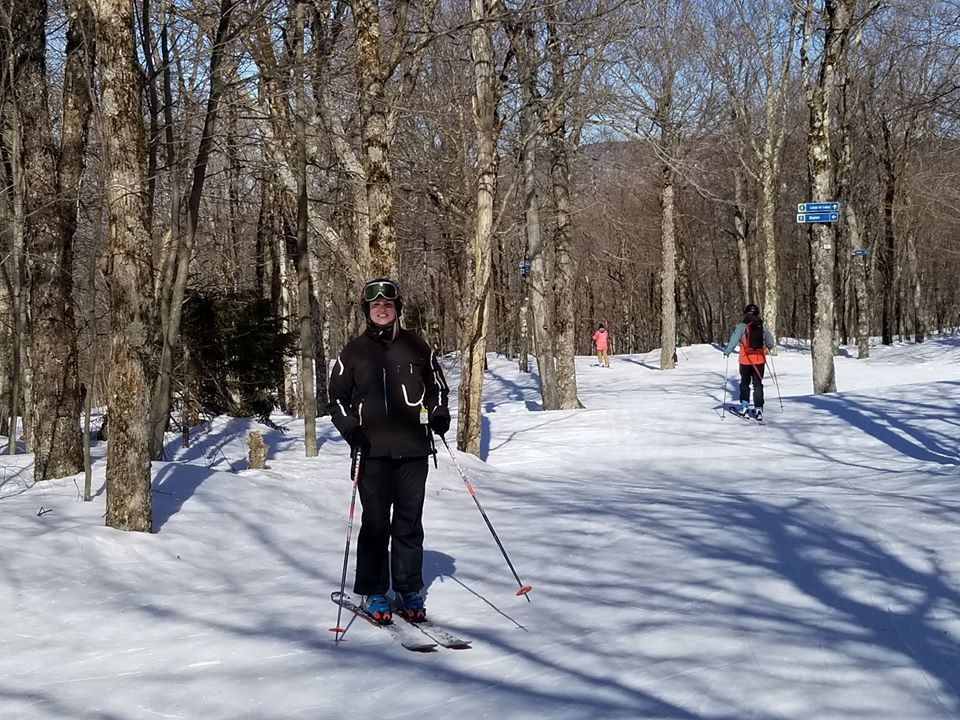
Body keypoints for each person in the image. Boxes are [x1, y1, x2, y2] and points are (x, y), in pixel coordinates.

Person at [328, 278, 450, 624]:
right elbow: (336, 398)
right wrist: (351, 429)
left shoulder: (417, 346)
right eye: (375, 305)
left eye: (388, 305)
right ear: (367, 311)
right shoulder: (353, 352)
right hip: (372, 451)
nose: (382, 310)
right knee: (376, 523)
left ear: (397, 309)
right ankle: (374, 590)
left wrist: (439, 414)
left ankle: (409, 587)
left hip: (413, 449)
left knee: (409, 523)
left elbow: (438, 389)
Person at [723, 303, 775, 420]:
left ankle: (745, 407)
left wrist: (727, 351)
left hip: (745, 360)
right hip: (759, 360)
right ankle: (758, 409)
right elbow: (770, 342)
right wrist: (769, 347)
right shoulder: (762, 326)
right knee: (758, 384)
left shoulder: (741, 326)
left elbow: (734, 340)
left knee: (745, 383)